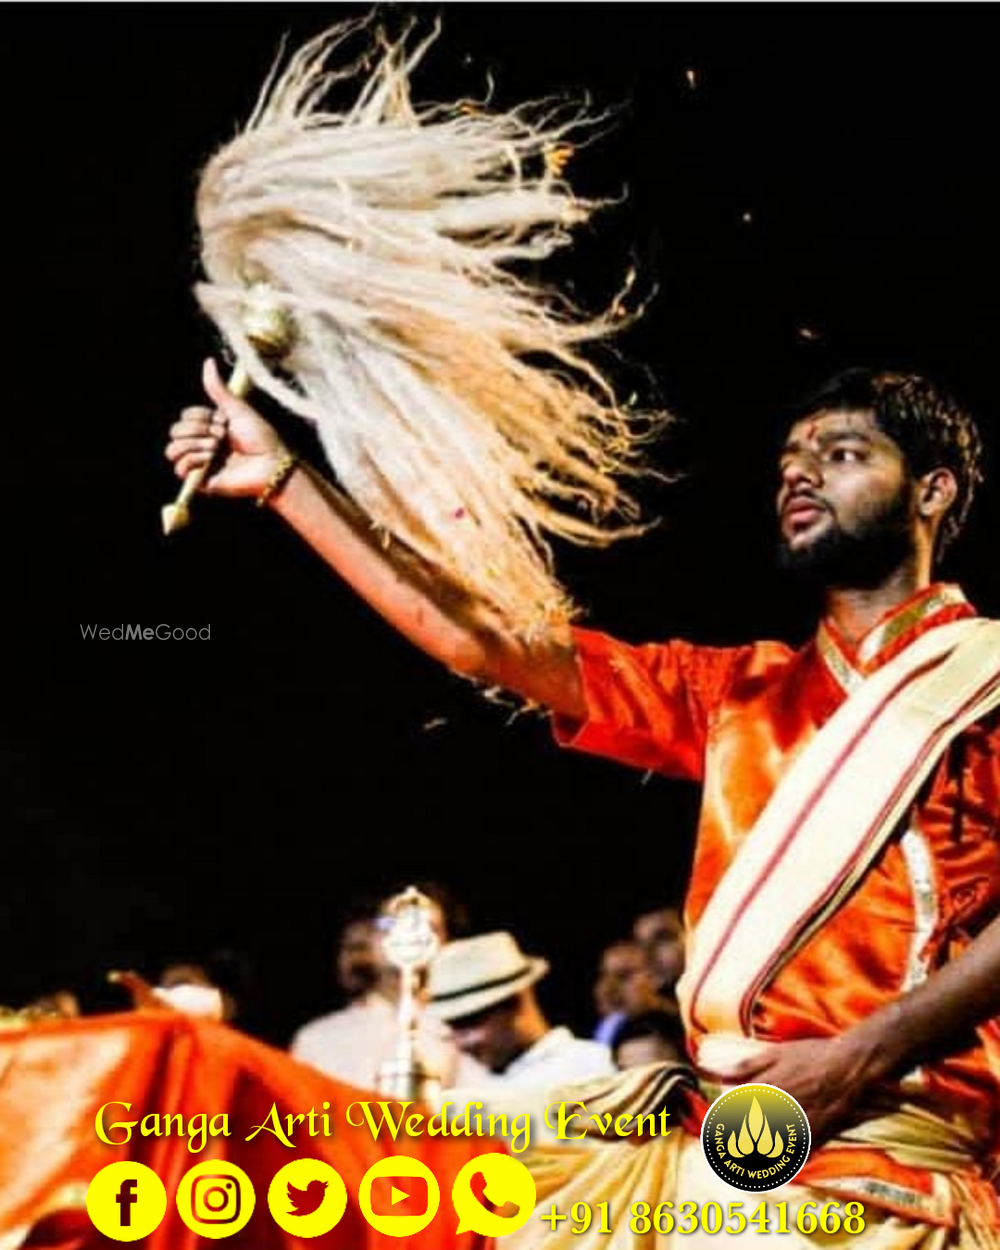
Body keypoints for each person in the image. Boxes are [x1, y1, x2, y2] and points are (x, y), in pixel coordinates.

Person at [167, 365, 1000, 1239]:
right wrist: (286, 484)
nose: (799, 474)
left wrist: (860, 1054)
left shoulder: (983, 683)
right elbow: (481, 642)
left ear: (931, 490)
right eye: (791, 459)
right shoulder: (736, 693)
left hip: (894, 1163)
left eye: (841, 454)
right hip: (717, 1152)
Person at [427, 931, 615, 1086]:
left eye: (468, 1023)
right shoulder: (462, 1081)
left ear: (516, 1001)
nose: (461, 1042)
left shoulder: (589, 1067)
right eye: (452, 1027)